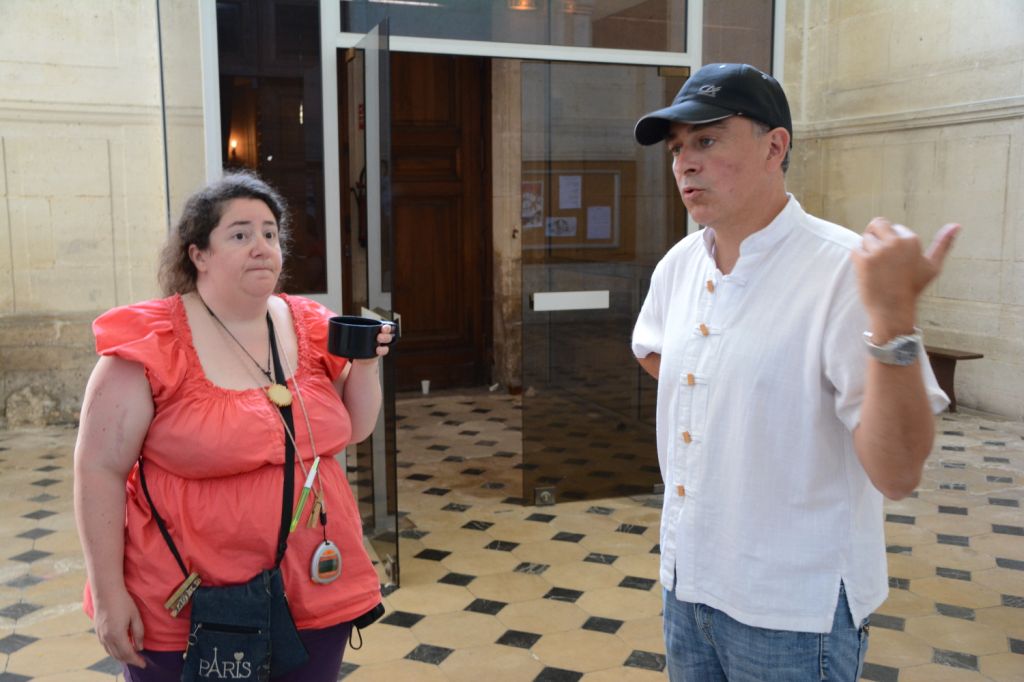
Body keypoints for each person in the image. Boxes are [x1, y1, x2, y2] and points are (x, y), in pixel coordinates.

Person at [631, 63, 959, 681]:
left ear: (774, 146)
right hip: (687, 580)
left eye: (706, 140)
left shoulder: (843, 271)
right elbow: (652, 350)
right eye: (676, 149)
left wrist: (893, 318)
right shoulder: (680, 264)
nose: (685, 164)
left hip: (793, 609)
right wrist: (740, 398)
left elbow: (897, 472)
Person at [73, 172, 392, 681]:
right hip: (185, 602)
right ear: (198, 254)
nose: (261, 246)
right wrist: (110, 596)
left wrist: (367, 364)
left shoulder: (311, 324)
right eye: (240, 234)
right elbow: (98, 470)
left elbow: (355, 427)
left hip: (311, 589)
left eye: (270, 233)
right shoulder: (151, 342)